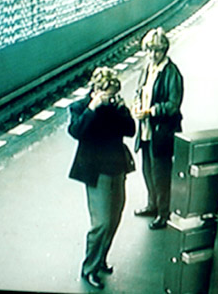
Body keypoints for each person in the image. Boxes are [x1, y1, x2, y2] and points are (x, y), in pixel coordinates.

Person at [68, 67, 135, 289]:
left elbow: (130, 130)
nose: (110, 98)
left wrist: (123, 110)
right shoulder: (80, 107)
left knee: (115, 217)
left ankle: (101, 258)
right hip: (97, 172)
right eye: (107, 94)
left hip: (117, 168)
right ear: (96, 90)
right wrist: (92, 108)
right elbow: (77, 131)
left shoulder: (114, 107)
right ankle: (89, 268)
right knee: (102, 223)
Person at [132, 27, 184, 230]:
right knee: (147, 170)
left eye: (157, 50)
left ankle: (163, 213)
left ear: (165, 50)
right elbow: (139, 91)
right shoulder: (147, 68)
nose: (153, 55)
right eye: (150, 50)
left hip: (162, 132)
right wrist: (136, 104)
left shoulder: (172, 72)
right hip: (146, 130)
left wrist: (151, 111)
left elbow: (173, 104)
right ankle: (152, 204)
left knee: (161, 174)